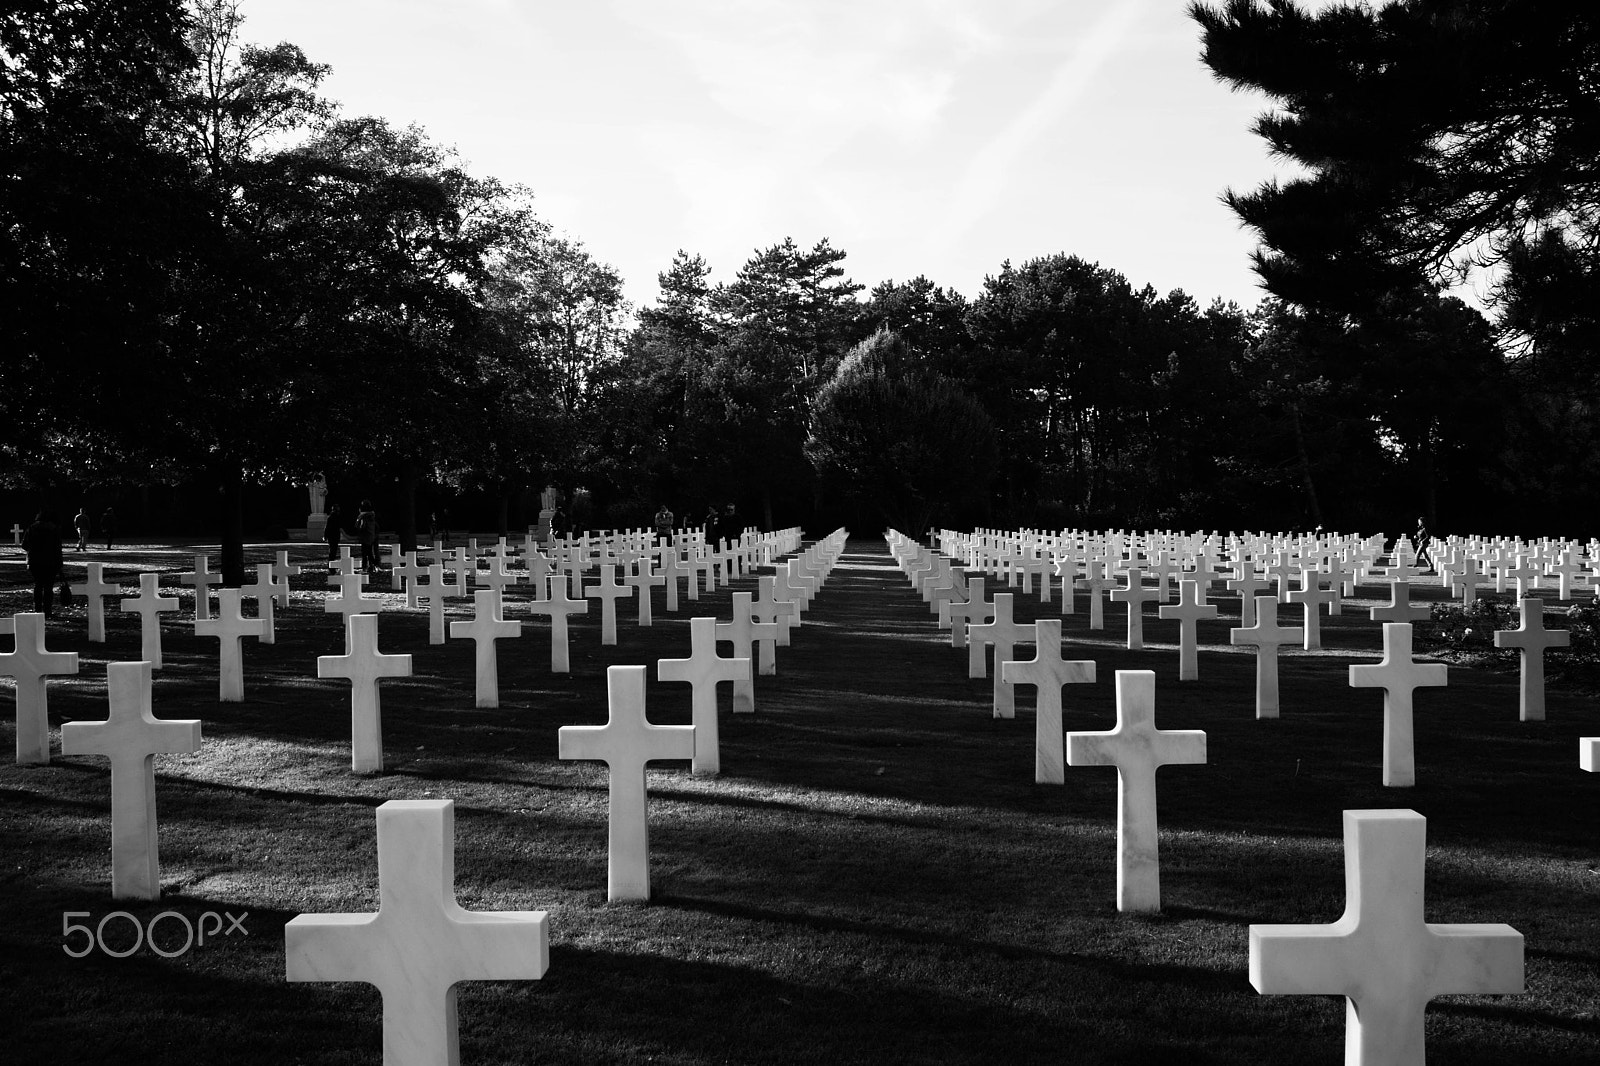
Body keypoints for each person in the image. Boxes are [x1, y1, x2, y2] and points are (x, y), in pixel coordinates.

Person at [21, 512, 65, 618]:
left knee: (38, 585)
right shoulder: (54, 529)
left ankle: (37, 610)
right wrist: (59, 563)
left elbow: (24, 545)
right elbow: (58, 548)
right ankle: (47, 611)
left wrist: (33, 551)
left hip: (35, 562)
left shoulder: (31, 528)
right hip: (51, 562)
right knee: (48, 587)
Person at [355, 500, 380, 573]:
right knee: (370, 553)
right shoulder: (372, 516)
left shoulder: (363, 517)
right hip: (371, 536)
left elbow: (361, 527)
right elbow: (376, 527)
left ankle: (365, 567)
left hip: (365, 537)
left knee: (365, 554)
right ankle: (373, 566)